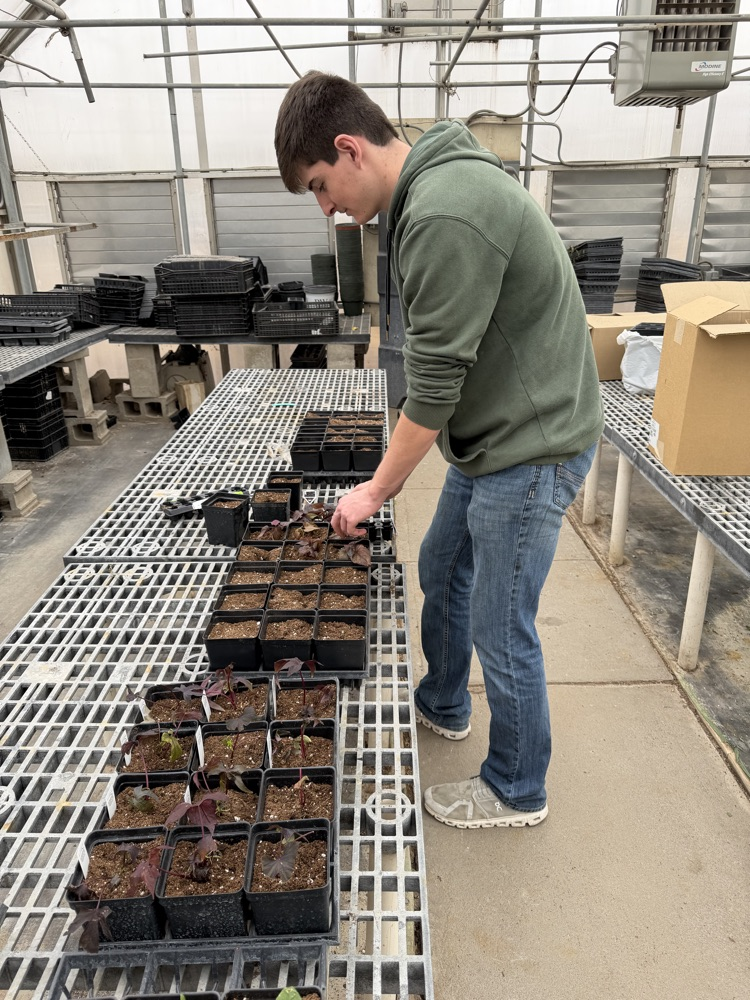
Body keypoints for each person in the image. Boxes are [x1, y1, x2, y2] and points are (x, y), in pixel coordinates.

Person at [275, 71, 604, 830]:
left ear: (349, 148)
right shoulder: (425, 189)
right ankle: (444, 701)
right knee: (441, 564)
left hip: (531, 445)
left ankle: (517, 787)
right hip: (494, 436)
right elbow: (426, 344)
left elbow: (433, 387)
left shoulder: (446, 212)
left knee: (501, 623)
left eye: (321, 186)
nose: (327, 208)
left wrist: (372, 491)